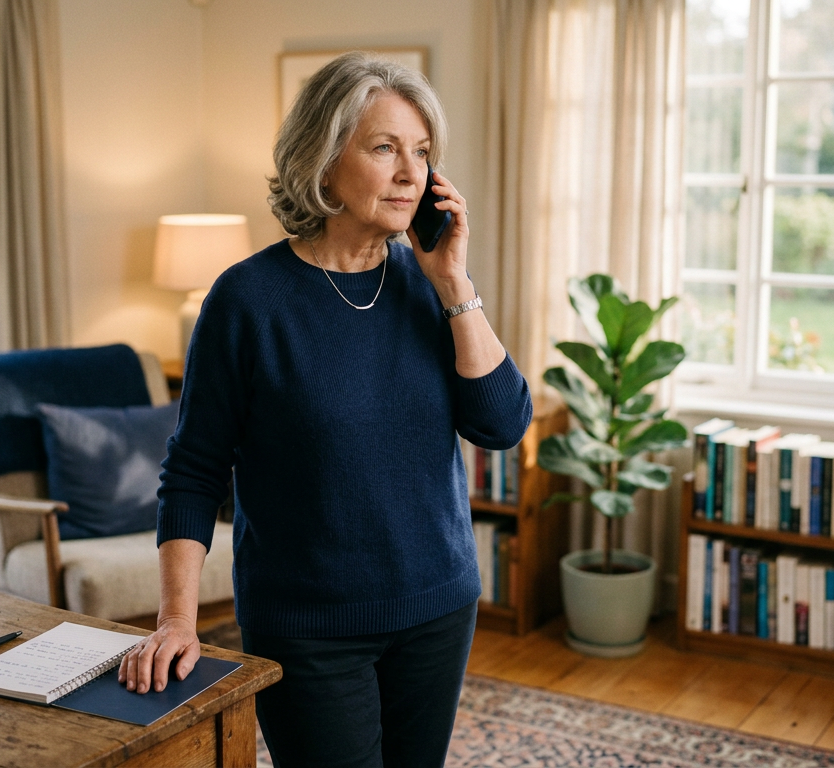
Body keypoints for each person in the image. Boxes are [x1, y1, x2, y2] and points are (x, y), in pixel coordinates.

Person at [117, 51, 532, 767]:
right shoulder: (246, 302)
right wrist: (177, 620)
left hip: (438, 608)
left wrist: (454, 282)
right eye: (384, 147)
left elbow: (500, 424)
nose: (413, 173)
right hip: (307, 628)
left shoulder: (429, 286)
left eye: (423, 152)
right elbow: (194, 471)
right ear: (323, 160)